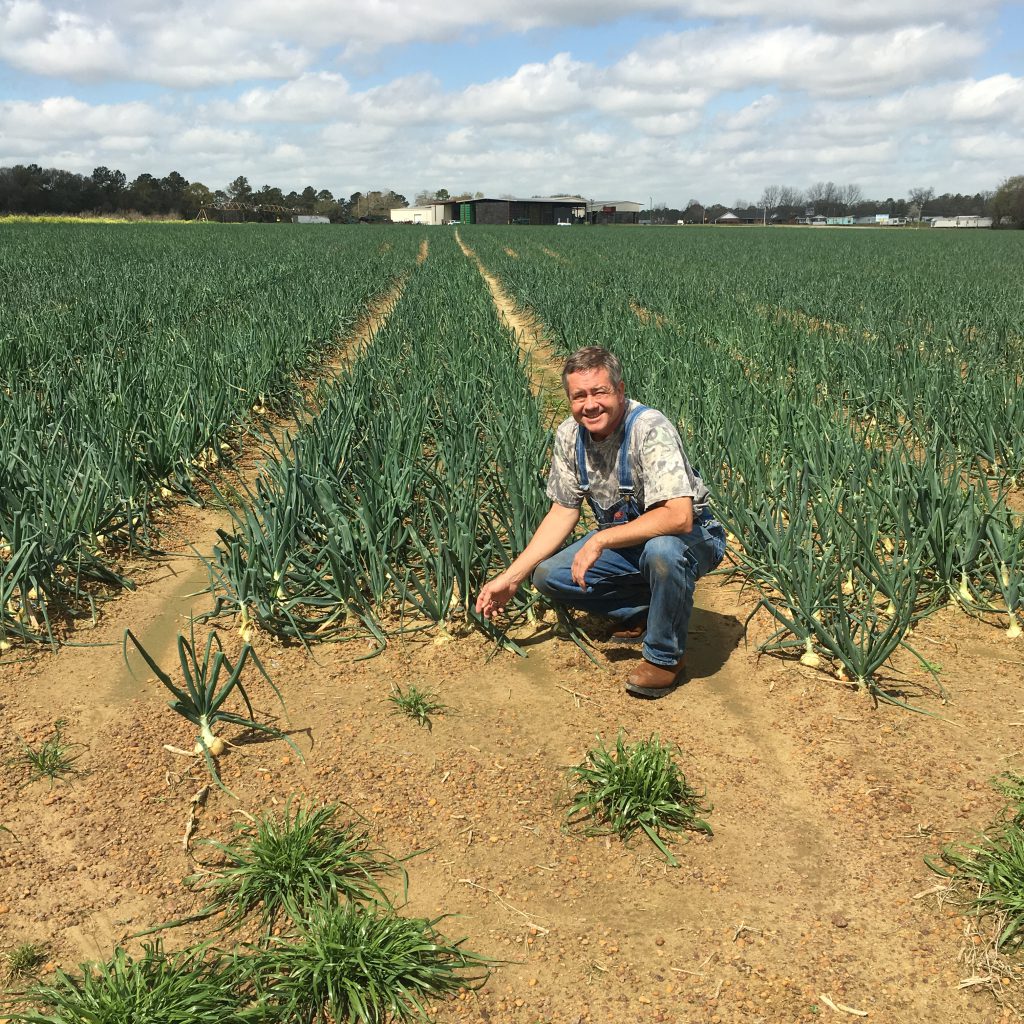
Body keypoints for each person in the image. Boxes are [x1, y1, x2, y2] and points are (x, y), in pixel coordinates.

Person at [475, 346, 726, 698]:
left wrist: (599, 541)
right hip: (628, 540)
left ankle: (664, 658)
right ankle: (650, 608)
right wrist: (511, 577)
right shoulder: (570, 435)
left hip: (693, 537)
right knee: (549, 576)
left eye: (599, 392)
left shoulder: (649, 429)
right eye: (579, 396)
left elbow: (679, 517)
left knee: (663, 551)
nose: (589, 404)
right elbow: (563, 510)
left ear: (620, 391)